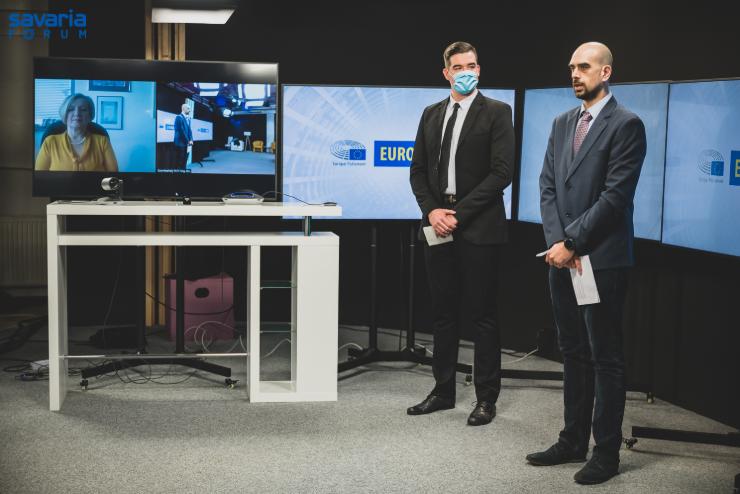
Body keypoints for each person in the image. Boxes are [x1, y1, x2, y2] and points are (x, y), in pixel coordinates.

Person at [526, 42, 647, 485]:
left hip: (602, 259)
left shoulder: (627, 124)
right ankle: (571, 440)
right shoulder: (562, 123)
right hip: (561, 258)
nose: (575, 74)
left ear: (606, 72)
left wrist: (573, 242)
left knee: (605, 357)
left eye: (584, 67)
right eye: (571, 68)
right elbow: (547, 186)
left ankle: (606, 453)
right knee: (572, 351)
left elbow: (615, 197)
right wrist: (557, 243)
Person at [408, 41, 514, 426]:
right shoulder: (431, 114)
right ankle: (443, 391)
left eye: (472, 65)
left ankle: (486, 398)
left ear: (479, 69)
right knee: (443, 314)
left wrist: (458, 214)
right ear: (446, 73)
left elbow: (502, 173)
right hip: (438, 225)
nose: (466, 72)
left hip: (479, 226)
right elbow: (418, 171)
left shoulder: (498, 112)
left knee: (483, 315)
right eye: (458, 67)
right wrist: (433, 211)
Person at [35, 93, 118, 172]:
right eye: (71, 109)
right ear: (64, 114)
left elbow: (113, 176)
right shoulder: (50, 142)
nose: (77, 113)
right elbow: (39, 177)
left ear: (90, 115)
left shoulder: (103, 142)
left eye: (83, 109)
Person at [174, 103, 193, 169]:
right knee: (180, 161)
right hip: (180, 143)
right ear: (183, 109)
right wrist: (188, 141)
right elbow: (181, 131)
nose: (189, 110)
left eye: (190, 109)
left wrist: (191, 140)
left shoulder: (189, 118)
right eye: (188, 108)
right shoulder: (178, 117)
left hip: (187, 143)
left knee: (185, 161)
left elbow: (190, 130)